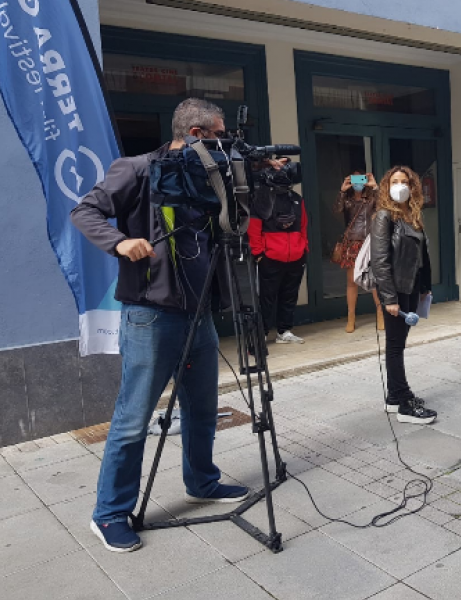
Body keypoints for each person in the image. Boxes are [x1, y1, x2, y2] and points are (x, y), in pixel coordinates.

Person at [70, 98, 249, 553]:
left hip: (199, 312)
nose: (223, 142)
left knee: (203, 408)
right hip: (151, 315)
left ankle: (202, 481)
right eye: (218, 134)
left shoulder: (212, 177)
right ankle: (109, 514)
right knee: (133, 420)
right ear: (195, 134)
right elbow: (84, 212)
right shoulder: (135, 170)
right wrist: (120, 241)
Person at [371, 166, 437, 424]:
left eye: (405, 181)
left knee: (398, 342)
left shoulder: (412, 215)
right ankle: (402, 401)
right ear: (387, 187)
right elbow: (380, 260)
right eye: (395, 181)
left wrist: (425, 286)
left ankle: (394, 398)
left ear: (413, 186)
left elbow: (422, 255)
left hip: (411, 286)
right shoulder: (384, 217)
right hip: (395, 289)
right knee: (395, 345)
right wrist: (389, 298)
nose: (400, 186)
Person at [249, 176, 309, 344]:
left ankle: (284, 331)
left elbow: (303, 225)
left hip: (296, 256)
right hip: (270, 257)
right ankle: (262, 332)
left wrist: (304, 247)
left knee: (289, 295)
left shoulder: (297, 199)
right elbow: (254, 227)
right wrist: (259, 253)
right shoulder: (262, 198)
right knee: (266, 297)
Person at [333, 170, 383, 333]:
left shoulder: (371, 200)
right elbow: (337, 210)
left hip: (369, 242)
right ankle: (351, 317)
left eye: (361, 179)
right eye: (354, 180)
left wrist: (375, 187)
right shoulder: (347, 201)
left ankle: (380, 313)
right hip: (352, 242)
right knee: (351, 281)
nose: (358, 183)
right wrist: (342, 190)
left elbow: (385, 206)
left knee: (373, 279)